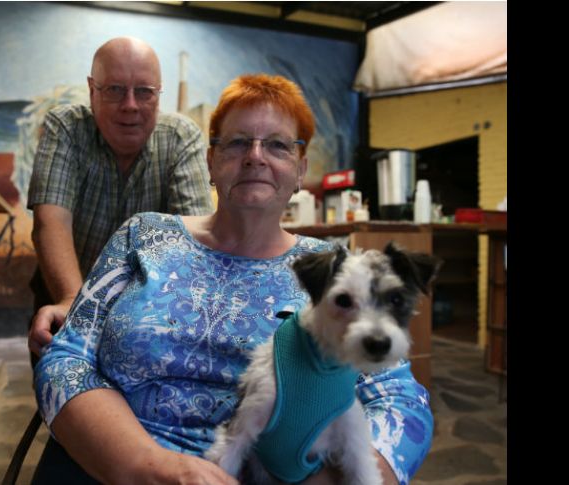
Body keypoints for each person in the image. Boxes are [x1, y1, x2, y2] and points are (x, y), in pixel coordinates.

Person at [33, 74, 433, 485]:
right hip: (113, 466)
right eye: (238, 142)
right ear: (211, 162)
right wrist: (147, 466)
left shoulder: (336, 271)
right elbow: (67, 360)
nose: (255, 156)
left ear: (301, 169)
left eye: (277, 145)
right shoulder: (144, 234)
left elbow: (402, 400)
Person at [26, 36, 214, 366]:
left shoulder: (181, 138)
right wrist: (72, 301)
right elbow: (50, 222)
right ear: (92, 90)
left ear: (159, 93)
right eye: (115, 90)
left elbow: (195, 243)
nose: (130, 105)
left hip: (149, 309)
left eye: (144, 92)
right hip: (64, 290)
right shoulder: (66, 128)